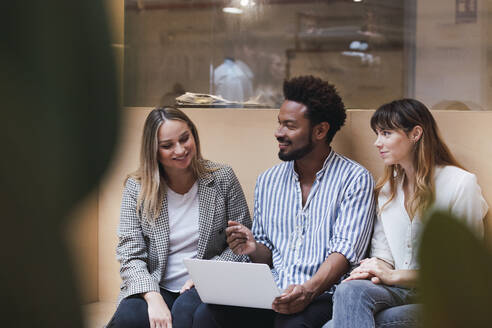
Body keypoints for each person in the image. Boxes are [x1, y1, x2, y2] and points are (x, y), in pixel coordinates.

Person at [193, 75, 376, 328]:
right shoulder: (268, 180)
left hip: (323, 295)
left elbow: (344, 252)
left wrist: (307, 291)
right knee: (206, 315)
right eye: (279, 124)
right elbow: (267, 253)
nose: (279, 133)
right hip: (271, 292)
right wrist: (252, 247)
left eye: (290, 126)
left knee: (291, 325)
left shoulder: (355, 179)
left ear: (320, 130)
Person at [326, 98, 489, 328]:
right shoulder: (387, 190)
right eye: (377, 134)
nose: (377, 143)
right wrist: (372, 268)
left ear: (416, 133)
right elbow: (384, 256)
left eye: (386, 133)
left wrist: (392, 276)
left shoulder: (460, 184)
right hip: (399, 293)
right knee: (350, 290)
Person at [107, 107, 252, 328]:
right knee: (128, 319)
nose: (181, 149)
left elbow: (241, 246)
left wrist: (207, 275)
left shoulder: (223, 178)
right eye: (167, 146)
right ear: (153, 150)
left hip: (205, 284)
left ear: (193, 134)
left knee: (186, 316)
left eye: (185, 139)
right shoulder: (136, 188)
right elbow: (130, 256)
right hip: (155, 283)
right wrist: (152, 296)